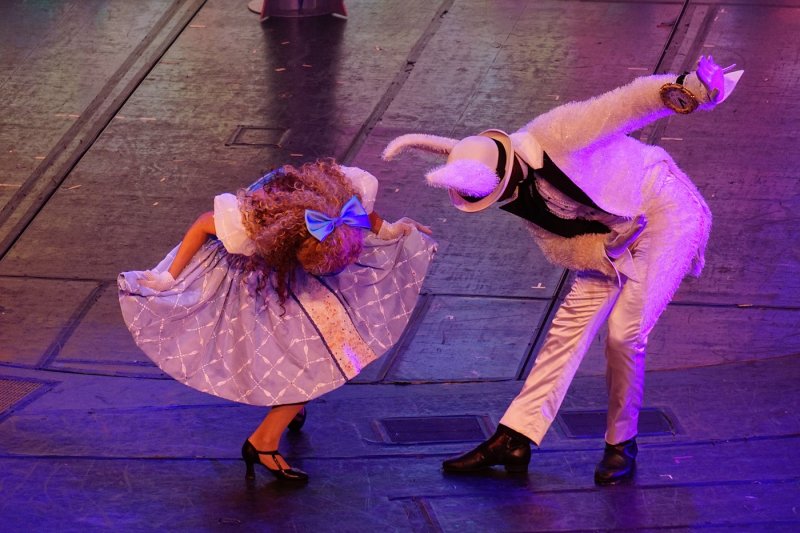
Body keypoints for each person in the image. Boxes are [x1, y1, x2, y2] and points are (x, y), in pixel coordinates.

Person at [383, 56, 742, 485]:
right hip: (611, 239)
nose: (501, 200)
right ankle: (516, 435)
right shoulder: (518, 196)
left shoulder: (558, 133)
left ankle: (621, 443)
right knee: (566, 330)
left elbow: (626, 103)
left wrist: (692, 88)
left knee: (624, 333)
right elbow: (561, 248)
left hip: (666, 212)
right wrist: (606, 249)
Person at [118, 160, 435, 485]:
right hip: (253, 283)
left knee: (327, 346)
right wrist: (169, 277)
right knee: (314, 360)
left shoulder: (333, 211)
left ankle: (290, 406)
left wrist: (391, 230)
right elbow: (203, 224)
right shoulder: (251, 230)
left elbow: (359, 213)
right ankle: (263, 442)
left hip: (291, 276)